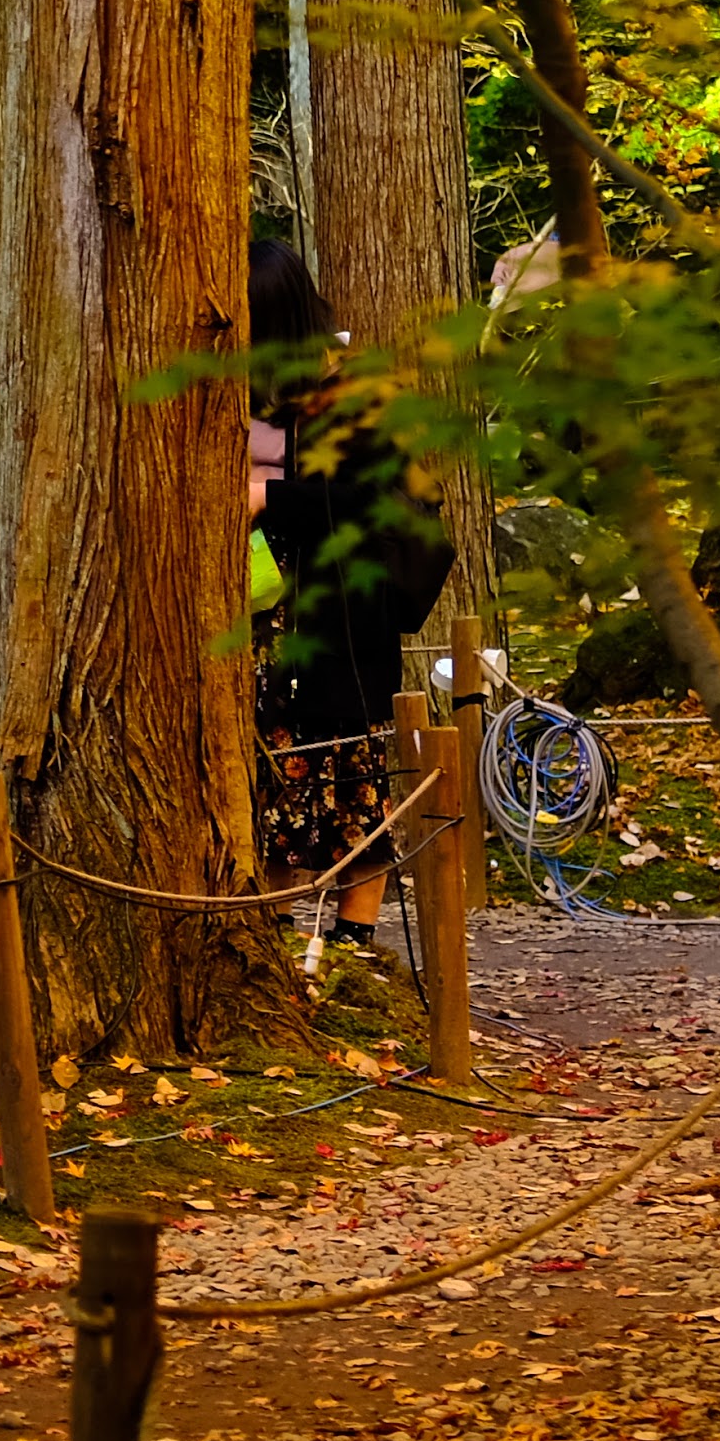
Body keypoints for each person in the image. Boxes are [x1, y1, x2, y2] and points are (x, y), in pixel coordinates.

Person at [248, 239, 454, 948]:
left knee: (349, 772)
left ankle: (352, 939)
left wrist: (266, 497)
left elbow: (361, 498)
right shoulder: (242, 390)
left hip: (342, 612)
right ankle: (272, 929)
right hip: (264, 616)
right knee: (271, 774)